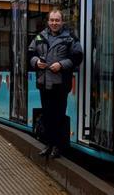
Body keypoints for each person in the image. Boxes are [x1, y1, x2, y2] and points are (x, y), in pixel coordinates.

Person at [29, 9, 83, 158]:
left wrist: (61, 64)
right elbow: (30, 54)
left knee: (58, 116)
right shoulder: (40, 36)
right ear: (48, 22)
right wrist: (36, 62)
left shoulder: (70, 38)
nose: (54, 23)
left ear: (62, 22)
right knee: (47, 116)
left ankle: (58, 147)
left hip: (60, 84)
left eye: (57, 20)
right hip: (43, 83)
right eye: (52, 20)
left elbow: (78, 57)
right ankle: (49, 145)